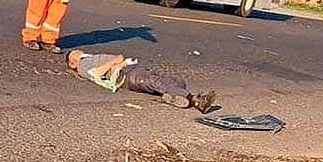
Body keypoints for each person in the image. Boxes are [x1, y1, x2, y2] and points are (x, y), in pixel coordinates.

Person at [66, 49, 216, 113]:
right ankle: (194, 100)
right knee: (154, 81)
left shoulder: (87, 58)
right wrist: (114, 61)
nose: (78, 51)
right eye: (74, 53)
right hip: (125, 76)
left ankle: (175, 96)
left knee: (175, 80)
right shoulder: (82, 65)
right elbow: (96, 74)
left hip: (129, 69)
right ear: (72, 63)